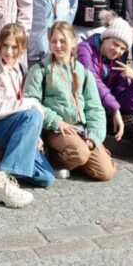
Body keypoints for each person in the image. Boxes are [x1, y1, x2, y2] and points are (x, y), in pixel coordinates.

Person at [23, 21, 116, 181]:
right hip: (56, 129)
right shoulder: (40, 70)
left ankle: (74, 159)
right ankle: (55, 159)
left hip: (81, 129)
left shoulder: (84, 72)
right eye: (54, 41)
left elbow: (95, 108)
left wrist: (93, 137)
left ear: (73, 42)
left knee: (106, 172)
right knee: (81, 153)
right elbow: (31, 103)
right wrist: (56, 121)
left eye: (63, 41)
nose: (58, 46)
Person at [0, 24, 54, 207]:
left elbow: (23, 109)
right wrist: (28, 104)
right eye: (5, 46)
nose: (9, 52)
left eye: (14, 47)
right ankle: (0, 180)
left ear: (22, 49)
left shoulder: (20, 69)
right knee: (33, 115)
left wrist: (33, 135)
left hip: (16, 128)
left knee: (47, 177)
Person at [76, 18, 133, 149]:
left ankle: (97, 136)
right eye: (115, 44)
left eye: (123, 48)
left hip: (103, 107)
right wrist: (114, 109)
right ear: (105, 38)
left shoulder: (117, 61)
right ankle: (88, 137)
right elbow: (92, 81)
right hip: (82, 105)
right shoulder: (85, 49)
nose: (117, 50)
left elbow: (126, 107)